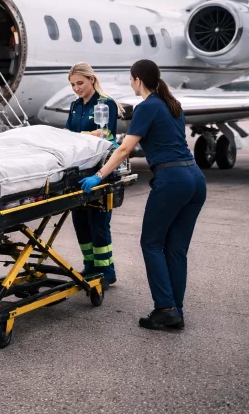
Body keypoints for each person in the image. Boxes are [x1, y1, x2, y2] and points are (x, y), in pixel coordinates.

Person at [79, 59, 206, 330]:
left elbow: (125, 151)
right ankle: (176, 310)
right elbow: (155, 140)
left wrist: (98, 176)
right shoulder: (172, 105)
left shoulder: (146, 106)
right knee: (176, 249)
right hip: (195, 178)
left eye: (130, 78)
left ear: (137, 80)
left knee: (151, 243)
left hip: (172, 180)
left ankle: (164, 308)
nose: (130, 82)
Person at [64, 63, 122, 290]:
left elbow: (106, 133)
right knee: (80, 222)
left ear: (91, 80)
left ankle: (106, 271)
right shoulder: (74, 105)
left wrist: (81, 135)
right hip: (78, 169)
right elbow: (68, 132)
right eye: (73, 85)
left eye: (80, 83)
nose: (76, 88)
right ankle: (90, 267)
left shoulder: (104, 103)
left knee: (98, 223)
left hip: (100, 169)